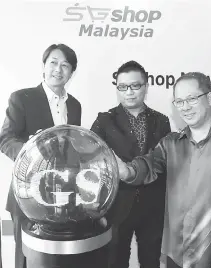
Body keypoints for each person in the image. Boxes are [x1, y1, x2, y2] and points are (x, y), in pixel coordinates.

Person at [115, 72, 211, 268]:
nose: (185, 107)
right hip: (176, 256)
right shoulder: (171, 143)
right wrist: (127, 172)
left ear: (210, 98)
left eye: (191, 99)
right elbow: (148, 165)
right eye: (179, 102)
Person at [0, 43, 81, 268]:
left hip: (62, 198)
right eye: (53, 62)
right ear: (43, 67)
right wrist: (31, 151)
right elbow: (6, 140)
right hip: (27, 194)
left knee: (56, 260)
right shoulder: (22, 98)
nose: (58, 69)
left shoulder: (75, 106)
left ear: (71, 73)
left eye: (65, 65)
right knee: (26, 258)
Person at [91, 60, 171, 268]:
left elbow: (164, 162)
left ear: (146, 86)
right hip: (117, 206)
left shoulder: (161, 121)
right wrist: (97, 209)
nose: (129, 92)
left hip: (153, 205)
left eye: (135, 86)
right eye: (122, 87)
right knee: (115, 261)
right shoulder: (104, 121)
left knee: (151, 261)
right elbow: (93, 168)